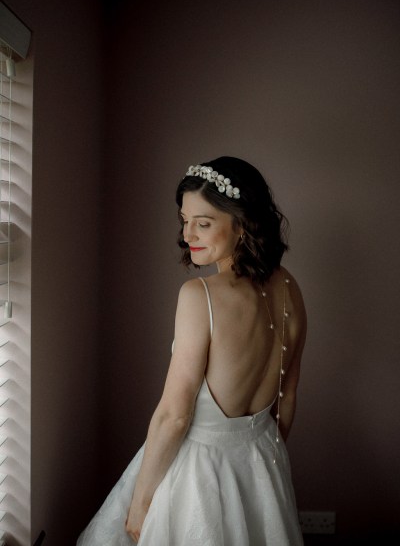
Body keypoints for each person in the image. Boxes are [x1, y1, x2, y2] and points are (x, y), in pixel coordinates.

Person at [77, 156, 307, 545]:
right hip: (263, 460)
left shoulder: (199, 296)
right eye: (185, 221)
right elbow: (286, 399)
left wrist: (142, 502)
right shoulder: (289, 288)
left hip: (200, 473)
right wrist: (263, 463)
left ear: (243, 223)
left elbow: (174, 416)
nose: (188, 235)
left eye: (203, 223)